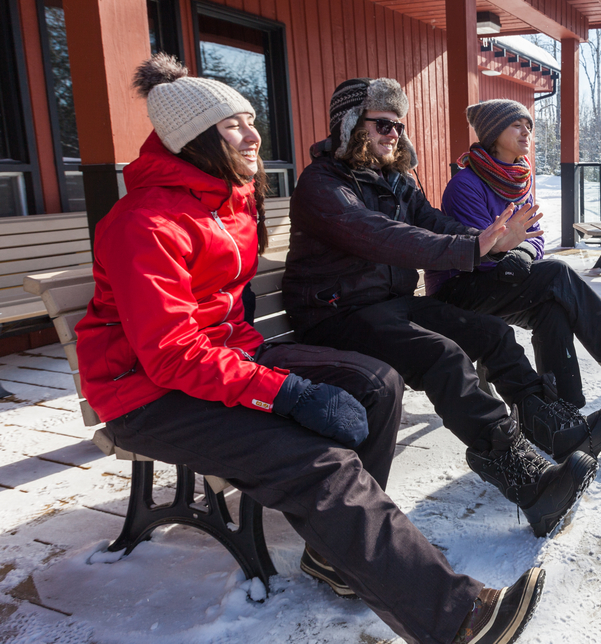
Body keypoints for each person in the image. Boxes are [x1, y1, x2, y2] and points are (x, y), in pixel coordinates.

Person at [75, 54, 541, 644]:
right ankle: (456, 617)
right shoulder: (145, 222)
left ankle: (335, 552)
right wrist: (287, 392)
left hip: (223, 355)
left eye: (250, 119)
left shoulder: (225, 200)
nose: (253, 134)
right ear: (193, 139)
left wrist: (487, 240)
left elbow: (215, 323)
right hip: (143, 394)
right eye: (233, 125)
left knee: (376, 382)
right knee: (322, 464)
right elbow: (170, 354)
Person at [282, 78, 601, 534]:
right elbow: (378, 235)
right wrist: (472, 249)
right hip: (334, 314)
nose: (394, 134)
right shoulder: (324, 184)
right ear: (349, 124)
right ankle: (529, 483)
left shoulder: (396, 182)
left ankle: (555, 429)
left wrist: (491, 242)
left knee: (492, 334)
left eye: (398, 126)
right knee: (443, 357)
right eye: (383, 124)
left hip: (388, 305)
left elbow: (434, 223)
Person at [428, 99, 601, 409]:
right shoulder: (464, 185)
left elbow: (533, 236)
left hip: (498, 282)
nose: (526, 132)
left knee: (554, 309)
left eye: (529, 126)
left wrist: (521, 250)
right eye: (516, 125)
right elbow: (478, 251)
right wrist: (511, 251)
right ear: (494, 133)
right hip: (459, 288)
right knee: (557, 273)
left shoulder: (519, 179)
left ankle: (563, 409)